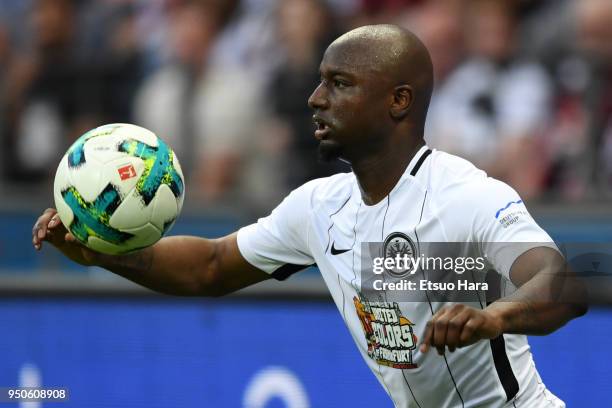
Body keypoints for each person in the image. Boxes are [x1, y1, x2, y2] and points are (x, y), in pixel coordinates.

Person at [32, 25, 585, 408]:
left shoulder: (466, 195)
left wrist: (494, 317)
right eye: (321, 81)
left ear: (398, 101)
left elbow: (561, 283)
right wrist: (105, 253)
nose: (316, 99)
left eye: (340, 84)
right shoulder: (320, 208)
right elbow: (210, 266)